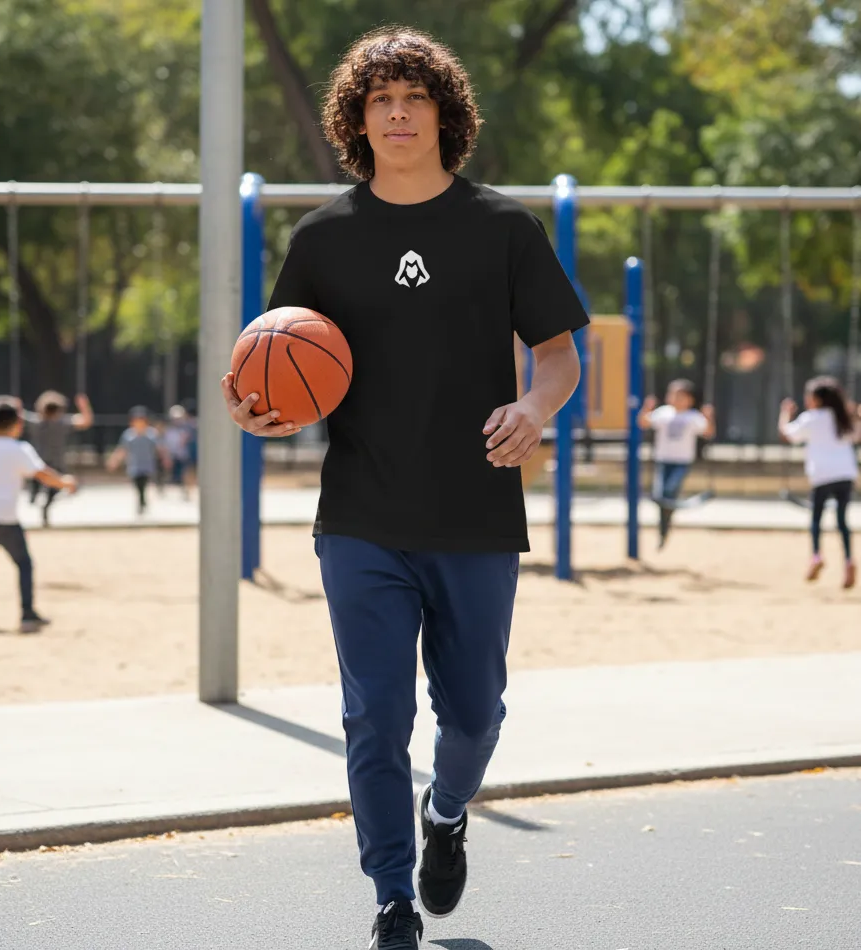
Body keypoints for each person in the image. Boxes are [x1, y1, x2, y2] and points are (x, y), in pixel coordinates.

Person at [221, 27, 586, 950]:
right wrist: (261, 413)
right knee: (372, 712)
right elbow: (282, 369)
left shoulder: (503, 227)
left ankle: (449, 809)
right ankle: (391, 894)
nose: (396, 112)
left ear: (442, 114)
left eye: (413, 97)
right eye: (379, 98)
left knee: (473, 714)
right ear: (357, 118)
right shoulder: (324, 237)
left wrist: (535, 410)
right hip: (362, 516)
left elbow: (557, 357)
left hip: (475, 511)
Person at [0, 395, 77, 632]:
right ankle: (27, 614)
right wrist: (65, 482)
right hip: (6, 519)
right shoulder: (20, 449)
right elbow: (42, 473)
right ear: (18, 424)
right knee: (24, 564)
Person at [779, 376, 861, 589]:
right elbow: (857, 436)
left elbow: (788, 434)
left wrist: (785, 414)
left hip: (822, 474)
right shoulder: (843, 418)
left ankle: (816, 555)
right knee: (842, 521)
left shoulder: (811, 418)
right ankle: (849, 560)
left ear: (816, 399)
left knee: (816, 519)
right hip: (845, 473)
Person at [638, 379, 716, 549]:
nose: (676, 399)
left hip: (682, 461)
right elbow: (643, 423)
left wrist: (709, 418)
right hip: (663, 460)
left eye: (681, 396)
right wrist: (647, 408)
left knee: (669, 491)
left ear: (690, 400)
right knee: (661, 497)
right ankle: (663, 529)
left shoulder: (693, 416)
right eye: (672, 395)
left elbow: (708, 432)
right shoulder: (663, 413)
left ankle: (665, 526)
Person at [24, 391, 93, 526]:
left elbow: (18, 416)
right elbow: (86, 421)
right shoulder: (61, 423)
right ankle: (40, 499)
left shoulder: (36, 422)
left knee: (41, 481)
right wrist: (84, 406)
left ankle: (35, 495)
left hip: (40, 462)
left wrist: (17, 406)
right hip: (53, 463)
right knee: (53, 485)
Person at [106, 406, 169, 515]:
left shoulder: (151, 434)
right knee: (137, 484)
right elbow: (122, 449)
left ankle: (142, 501)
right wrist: (114, 460)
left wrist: (165, 458)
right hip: (134, 465)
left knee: (143, 483)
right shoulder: (128, 435)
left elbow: (159, 448)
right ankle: (142, 500)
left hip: (147, 464)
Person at [162, 404, 193, 499]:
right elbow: (166, 443)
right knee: (168, 473)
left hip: (183, 455)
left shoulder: (187, 429)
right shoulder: (168, 430)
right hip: (172, 455)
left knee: (185, 473)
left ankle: (186, 491)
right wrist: (166, 456)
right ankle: (163, 490)